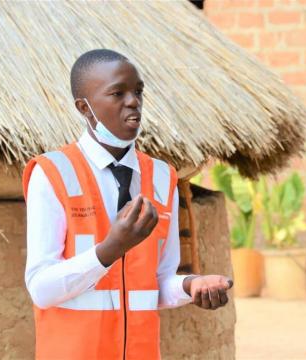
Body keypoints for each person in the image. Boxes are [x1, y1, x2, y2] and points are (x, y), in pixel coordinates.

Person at [23, 49, 233, 360]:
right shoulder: (53, 173)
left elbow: (157, 282)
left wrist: (191, 285)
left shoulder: (163, 178)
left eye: (137, 91)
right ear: (85, 107)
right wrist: (110, 249)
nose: (133, 101)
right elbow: (41, 288)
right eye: (117, 93)